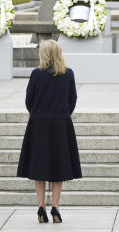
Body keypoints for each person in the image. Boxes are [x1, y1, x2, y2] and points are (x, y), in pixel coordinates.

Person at [17, 40, 82, 224]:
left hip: (38, 124)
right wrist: (61, 113)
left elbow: (29, 100)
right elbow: (72, 99)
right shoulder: (68, 74)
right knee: (58, 167)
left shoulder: (36, 74)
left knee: (39, 167)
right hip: (61, 124)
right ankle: (55, 207)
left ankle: (40, 207)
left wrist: (38, 113)